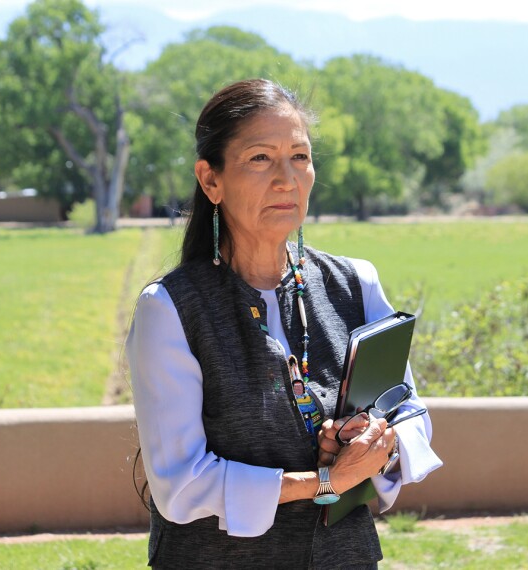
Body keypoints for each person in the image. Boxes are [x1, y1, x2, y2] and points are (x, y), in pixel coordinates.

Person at [127, 78, 442, 569]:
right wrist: (324, 483)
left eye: (299, 156)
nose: (286, 179)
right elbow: (181, 484)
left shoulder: (356, 284)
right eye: (260, 158)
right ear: (211, 181)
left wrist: (373, 443)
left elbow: (410, 413)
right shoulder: (170, 308)